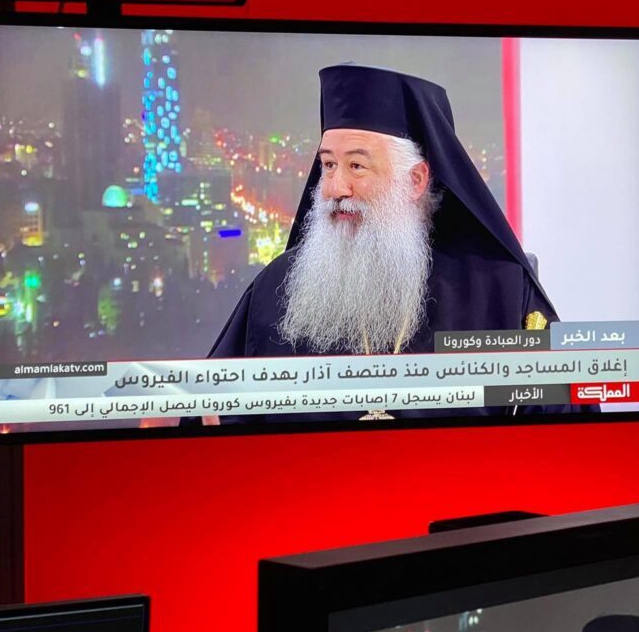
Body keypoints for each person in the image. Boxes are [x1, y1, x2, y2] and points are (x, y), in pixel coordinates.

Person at [202, 63, 581, 420]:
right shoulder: (276, 288)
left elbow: (564, 425)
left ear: (415, 180)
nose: (335, 188)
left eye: (356, 166)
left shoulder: (499, 291)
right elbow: (211, 412)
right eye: (329, 165)